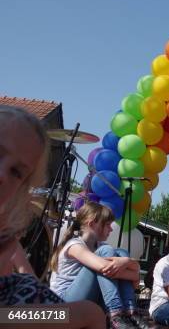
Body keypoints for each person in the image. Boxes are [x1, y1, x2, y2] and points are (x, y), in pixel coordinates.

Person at [0, 105, 106, 329]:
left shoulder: (6, 231)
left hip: (10, 315)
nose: (2, 174)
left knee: (91, 313)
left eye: (16, 172)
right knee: (89, 314)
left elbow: (26, 278)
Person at [49, 201, 149, 329]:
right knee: (108, 252)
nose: (111, 229)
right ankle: (116, 314)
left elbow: (135, 277)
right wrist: (131, 271)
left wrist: (126, 262)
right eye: (107, 225)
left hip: (87, 303)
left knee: (121, 252)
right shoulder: (74, 245)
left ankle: (130, 312)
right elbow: (105, 268)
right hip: (64, 305)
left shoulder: (100, 247)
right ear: (92, 224)